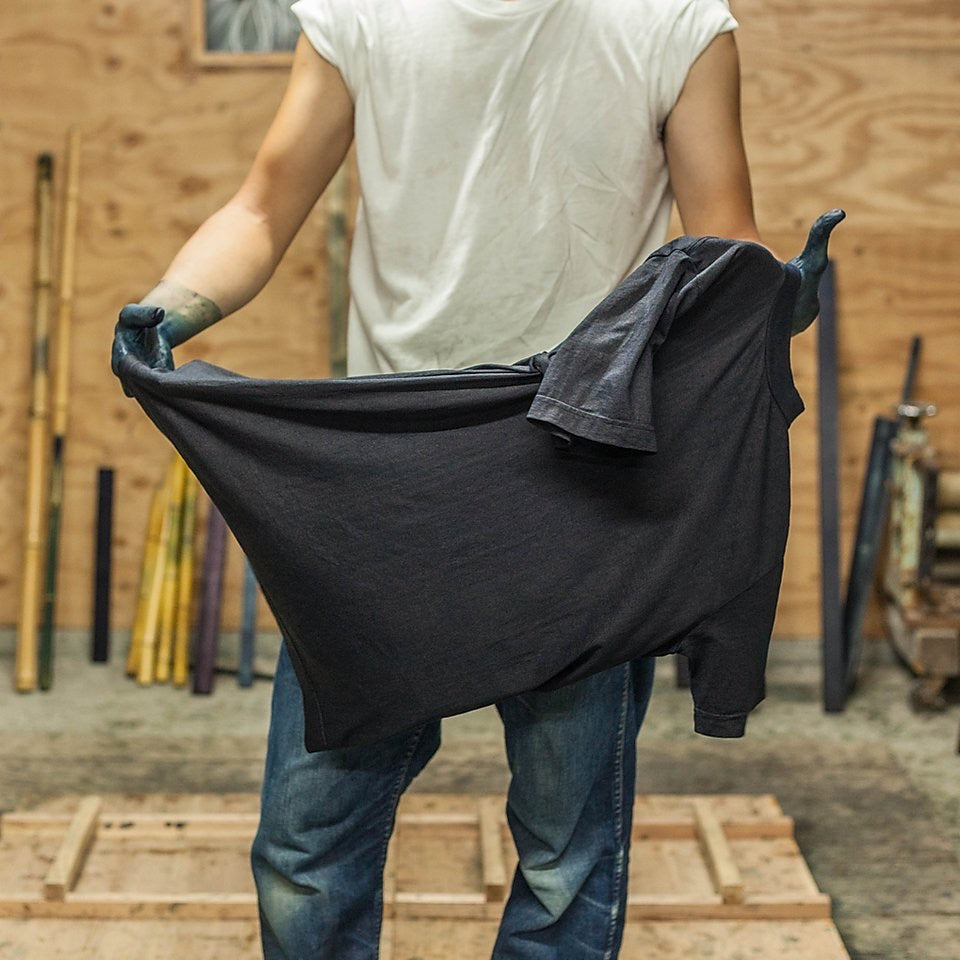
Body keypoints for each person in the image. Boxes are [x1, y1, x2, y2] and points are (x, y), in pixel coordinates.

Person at [113, 2, 777, 957]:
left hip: (581, 479)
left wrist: (765, 296)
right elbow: (263, 205)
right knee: (306, 847)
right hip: (390, 482)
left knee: (566, 860)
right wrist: (171, 306)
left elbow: (721, 247)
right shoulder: (361, 14)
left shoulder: (670, 20)